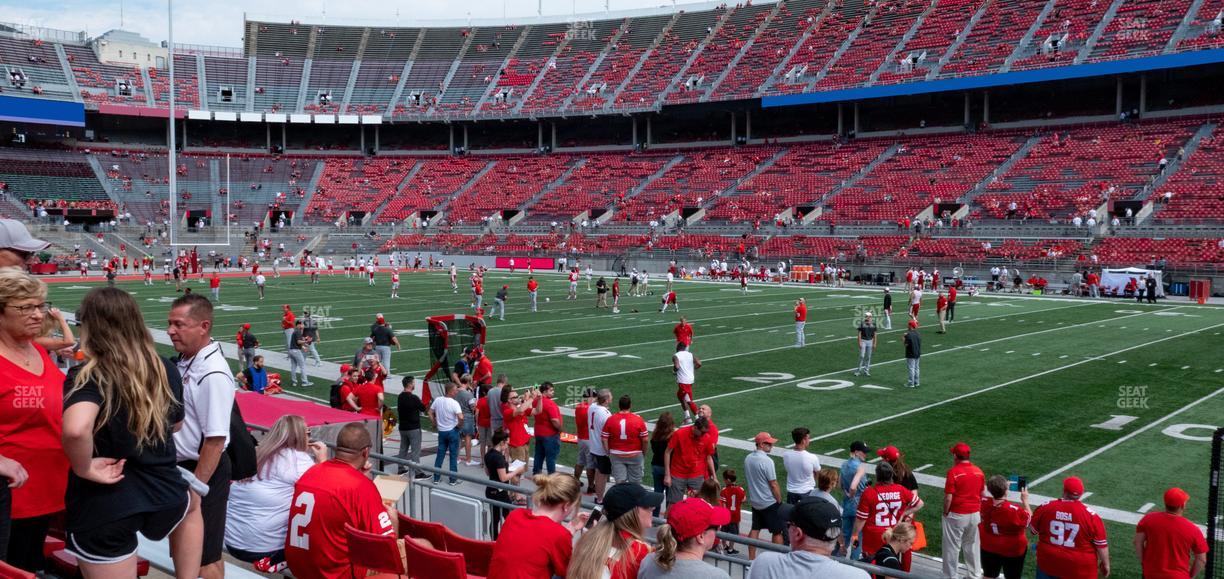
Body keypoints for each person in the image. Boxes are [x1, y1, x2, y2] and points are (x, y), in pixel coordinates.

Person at [61, 287, 200, 579]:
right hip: (165, 491)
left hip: (107, 503)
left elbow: (75, 429)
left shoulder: (90, 373)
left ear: (91, 327)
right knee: (192, 503)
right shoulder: (164, 367)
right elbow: (176, 425)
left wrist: (83, 467)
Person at [0, 270, 67, 571]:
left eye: (40, 306)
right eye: (26, 307)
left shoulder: (38, 349)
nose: (38, 314)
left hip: (48, 491)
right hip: (9, 498)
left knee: (30, 565)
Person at [166, 293, 235, 579]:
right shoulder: (188, 360)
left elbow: (215, 441)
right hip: (185, 469)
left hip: (202, 471)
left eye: (179, 324)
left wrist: (196, 489)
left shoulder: (213, 372)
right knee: (185, 552)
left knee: (205, 558)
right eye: (170, 323)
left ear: (204, 326)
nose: (170, 331)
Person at [284, 423, 399, 579]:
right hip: (335, 573)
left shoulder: (311, 472)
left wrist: (358, 477)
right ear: (365, 452)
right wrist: (394, 521)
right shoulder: (361, 486)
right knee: (422, 546)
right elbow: (386, 551)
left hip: (299, 567)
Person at [225, 415, 327, 571]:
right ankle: (281, 559)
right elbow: (327, 490)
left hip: (231, 541)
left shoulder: (256, 452)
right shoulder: (299, 460)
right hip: (264, 549)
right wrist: (323, 461)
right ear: (300, 436)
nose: (309, 437)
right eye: (308, 433)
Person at [488, 473, 589, 579]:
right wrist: (587, 539)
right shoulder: (559, 534)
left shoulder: (515, 514)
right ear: (566, 505)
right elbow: (569, 572)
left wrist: (571, 528)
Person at [748, 497, 869, 578]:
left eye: (789, 525)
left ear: (798, 534)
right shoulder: (858, 576)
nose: (787, 528)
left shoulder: (765, 563)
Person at [568, 483, 661, 579]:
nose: (653, 508)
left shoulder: (591, 537)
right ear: (632, 513)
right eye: (647, 506)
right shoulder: (642, 551)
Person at [1030, 476, 1110, 579]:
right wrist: (1106, 564)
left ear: (1064, 491)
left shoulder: (1045, 507)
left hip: (1048, 563)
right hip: (1079, 569)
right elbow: (1101, 545)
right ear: (1081, 494)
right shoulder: (1091, 516)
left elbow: (1032, 530)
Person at [638, 497, 732, 579]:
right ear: (701, 536)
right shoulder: (717, 576)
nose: (718, 529)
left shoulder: (649, 562)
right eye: (716, 527)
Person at [852, 463, 919, 564]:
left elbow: (861, 519)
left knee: (871, 566)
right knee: (889, 563)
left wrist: (855, 535)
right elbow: (919, 504)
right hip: (892, 536)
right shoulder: (900, 489)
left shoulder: (869, 493)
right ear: (891, 475)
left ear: (877, 476)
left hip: (873, 538)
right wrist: (903, 514)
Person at [1134, 487, 1207, 579]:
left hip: (1150, 574)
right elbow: (1201, 559)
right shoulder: (1193, 529)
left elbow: (1137, 542)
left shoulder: (1148, 519)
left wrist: (1145, 563)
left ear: (1165, 503)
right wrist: (1190, 576)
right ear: (1183, 505)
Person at [943, 442, 985, 579]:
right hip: (975, 514)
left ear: (955, 456)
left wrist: (945, 512)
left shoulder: (953, 472)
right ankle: (975, 575)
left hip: (957, 514)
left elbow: (948, 497)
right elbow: (982, 493)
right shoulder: (978, 471)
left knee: (952, 547)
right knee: (972, 546)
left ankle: (951, 576)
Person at [980, 474, 1032, 579]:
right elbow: (1030, 520)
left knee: (988, 575)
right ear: (1006, 491)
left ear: (989, 490)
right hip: (1012, 549)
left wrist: (1000, 487)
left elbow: (985, 498)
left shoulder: (983, 502)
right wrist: (1025, 501)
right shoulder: (1014, 510)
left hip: (989, 545)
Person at [745, 432, 784, 558]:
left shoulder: (748, 458)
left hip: (755, 502)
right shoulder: (767, 461)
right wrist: (779, 500)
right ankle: (776, 559)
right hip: (769, 502)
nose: (771, 445)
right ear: (761, 444)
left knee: (755, 529)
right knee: (777, 531)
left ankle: (751, 560)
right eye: (769, 443)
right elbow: (773, 484)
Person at [665, 416, 715, 507]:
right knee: (673, 505)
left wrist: (714, 476)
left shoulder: (706, 437)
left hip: (696, 474)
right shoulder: (680, 433)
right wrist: (667, 475)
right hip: (678, 474)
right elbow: (667, 452)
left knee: (699, 504)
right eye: (702, 432)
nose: (704, 435)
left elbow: (709, 457)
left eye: (705, 432)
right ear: (695, 428)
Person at [484, 431, 526, 539]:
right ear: (502, 442)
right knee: (509, 518)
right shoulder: (499, 458)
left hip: (491, 490)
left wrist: (506, 466)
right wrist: (516, 471)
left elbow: (488, 472)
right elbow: (503, 478)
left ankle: (494, 541)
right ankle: (510, 539)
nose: (507, 446)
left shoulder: (488, 454)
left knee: (495, 519)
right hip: (500, 493)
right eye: (507, 443)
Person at [601, 394, 648, 485]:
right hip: (635, 454)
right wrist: (643, 453)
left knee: (620, 483)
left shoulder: (611, 419)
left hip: (616, 454)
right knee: (635, 483)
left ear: (619, 406)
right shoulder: (638, 419)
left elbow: (604, 439)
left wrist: (608, 452)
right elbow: (645, 440)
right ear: (630, 405)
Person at [839, 441, 871, 560]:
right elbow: (853, 487)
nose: (865, 454)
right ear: (856, 452)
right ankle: (854, 561)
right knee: (856, 536)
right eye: (863, 452)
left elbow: (839, 484)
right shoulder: (860, 467)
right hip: (858, 506)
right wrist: (853, 495)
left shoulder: (843, 465)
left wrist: (848, 495)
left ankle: (838, 558)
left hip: (846, 505)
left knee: (845, 536)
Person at [429, 382, 463, 485]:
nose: (457, 392)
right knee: (453, 456)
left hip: (442, 431)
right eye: (455, 390)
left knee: (440, 455)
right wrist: (459, 425)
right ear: (451, 391)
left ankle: (436, 478)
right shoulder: (454, 403)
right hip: (452, 431)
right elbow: (461, 417)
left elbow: (430, 412)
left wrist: (434, 423)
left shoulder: (438, 400)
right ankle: (453, 479)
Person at [396, 376, 428, 478]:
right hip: (413, 428)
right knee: (415, 451)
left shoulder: (400, 397)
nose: (414, 384)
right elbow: (423, 409)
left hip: (403, 427)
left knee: (403, 449)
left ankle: (400, 468)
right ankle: (418, 473)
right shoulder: (414, 398)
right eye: (413, 383)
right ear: (410, 384)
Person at [783, 427, 822, 505]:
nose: (809, 440)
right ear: (803, 440)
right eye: (808, 438)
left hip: (791, 493)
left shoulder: (786, 455)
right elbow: (818, 473)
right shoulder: (812, 457)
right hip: (807, 493)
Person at [587, 389, 614, 501]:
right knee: (602, 474)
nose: (612, 398)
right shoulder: (606, 414)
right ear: (606, 400)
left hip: (593, 445)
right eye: (610, 397)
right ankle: (600, 499)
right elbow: (609, 433)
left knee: (599, 472)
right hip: (602, 449)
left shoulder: (592, 407)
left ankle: (598, 496)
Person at [531, 382, 564, 475]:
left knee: (539, 454)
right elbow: (554, 420)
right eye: (551, 390)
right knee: (551, 457)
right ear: (545, 392)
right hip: (550, 434)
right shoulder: (550, 404)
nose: (553, 392)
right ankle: (551, 476)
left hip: (538, 432)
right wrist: (560, 429)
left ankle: (536, 473)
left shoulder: (536, 401)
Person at [650, 412, 677, 517]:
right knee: (670, 495)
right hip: (669, 468)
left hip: (656, 465)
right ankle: (667, 517)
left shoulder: (655, 435)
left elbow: (654, 450)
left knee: (657, 492)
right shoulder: (672, 436)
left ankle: (655, 516)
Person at [503, 385, 535, 464]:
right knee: (518, 469)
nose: (518, 397)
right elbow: (520, 410)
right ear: (509, 400)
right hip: (516, 444)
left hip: (524, 441)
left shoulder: (518, 407)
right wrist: (531, 398)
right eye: (515, 397)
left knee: (523, 468)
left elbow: (534, 411)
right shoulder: (507, 410)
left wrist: (539, 398)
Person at [574, 387, 597, 494]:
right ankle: (591, 486)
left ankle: (575, 481)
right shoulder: (591, 409)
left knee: (580, 461)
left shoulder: (579, 407)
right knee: (590, 464)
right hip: (589, 439)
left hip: (581, 438)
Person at [673, 343, 701, 423]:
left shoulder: (676, 356)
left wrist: (674, 371)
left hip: (683, 381)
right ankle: (687, 417)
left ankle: (697, 419)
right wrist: (692, 370)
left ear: (677, 348)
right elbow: (699, 363)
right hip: (690, 379)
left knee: (688, 400)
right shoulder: (690, 354)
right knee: (680, 396)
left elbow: (677, 366)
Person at [455, 378, 478, 466]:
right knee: (468, 438)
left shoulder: (455, 392)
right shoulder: (469, 394)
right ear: (468, 382)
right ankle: (468, 460)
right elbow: (473, 407)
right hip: (467, 417)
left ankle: (456, 458)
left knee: (458, 438)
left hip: (457, 417)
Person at [287, 320, 310, 388]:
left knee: (293, 366)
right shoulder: (298, 331)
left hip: (291, 351)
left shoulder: (296, 331)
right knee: (302, 366)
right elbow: (298, 342)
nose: (303, 326)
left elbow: (296, 343)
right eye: (302, 324)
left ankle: (294, 381)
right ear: (298, 325)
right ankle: (305, 382)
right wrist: (305, 341)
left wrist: (303, 347)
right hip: (296, 351)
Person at [855, 312, 877, 376]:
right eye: (866, 316)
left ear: (870, 317)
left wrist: (875, 343)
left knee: (868, 357)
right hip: (863, 341)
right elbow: (859, 334)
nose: (866, 317)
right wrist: (859, 342)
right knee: (862, 356)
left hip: (870, 341)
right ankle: (858, 371)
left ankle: (866, 371)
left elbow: (875, 334)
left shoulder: (873, 324)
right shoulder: (862, 324)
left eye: (867, 316)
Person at [904, 319, 921, 388]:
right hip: (917, 353)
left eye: (908, 325)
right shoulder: (918, 333)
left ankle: (911, 383)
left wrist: (904, 338)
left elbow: (906, 344)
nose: (907, 326)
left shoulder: (908, 335)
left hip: (911, 353)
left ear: (910, 326)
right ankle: (917, 382)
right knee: (917, 368)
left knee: (911, 368)